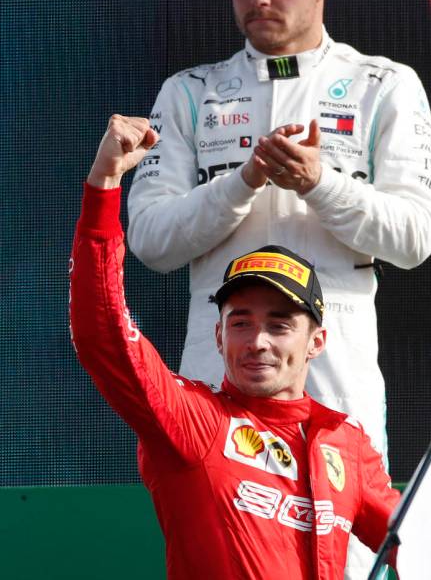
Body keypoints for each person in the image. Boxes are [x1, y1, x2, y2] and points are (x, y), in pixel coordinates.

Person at [127, 0, 431, 576]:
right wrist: (242, 183)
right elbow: (150, 239)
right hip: (218, 385)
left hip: (337, 380)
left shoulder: (384, 84)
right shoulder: (189, 93)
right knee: (219, 555)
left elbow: (416, 234)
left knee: (348, 560)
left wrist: (318, 183)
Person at [69, 115, 400, 580]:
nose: (257, 341)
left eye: (280, 325)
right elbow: (103, 334)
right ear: (219, 335)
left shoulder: (346, 444)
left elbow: (422, 545)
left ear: (316, 342)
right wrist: (104, 185)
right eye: (241, 322)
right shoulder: (193, 420)